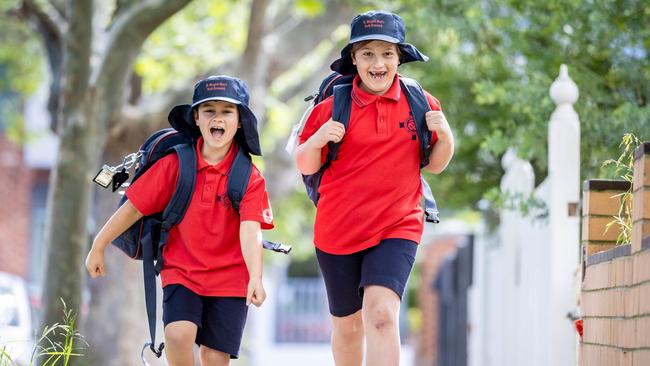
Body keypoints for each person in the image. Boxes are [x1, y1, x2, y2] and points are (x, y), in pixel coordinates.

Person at [294, 10, 454, 366]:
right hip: (337, 230)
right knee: (349, 328)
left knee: (381, 314)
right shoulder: (332, 106)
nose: (377, 62)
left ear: (399, 57)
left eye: (386, 53)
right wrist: (319, 137)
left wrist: (447, 137)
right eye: (367, 53)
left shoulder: (420, 103)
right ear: (353, 59)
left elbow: (436, 163)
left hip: (397, 225)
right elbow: (305, 163)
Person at [85, 75, 274, 366]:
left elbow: (251, 230)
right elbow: (133, 207)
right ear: (196, 118)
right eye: (209, 110)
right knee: (177, 335)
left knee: (214, 356)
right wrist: (99, 244)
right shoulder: (175, 164)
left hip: (231, 279)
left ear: (239, 121)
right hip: (182, 271)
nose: (217, 118)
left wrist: (255, 276)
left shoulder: (248, 177)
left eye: (227, 111)